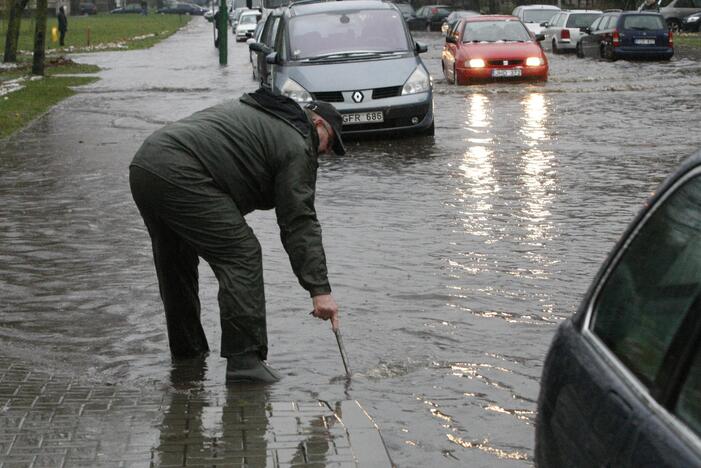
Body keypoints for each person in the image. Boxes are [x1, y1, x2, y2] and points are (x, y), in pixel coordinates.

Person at [129, 88, 345, 384]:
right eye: (329, 143)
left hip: (146, 164)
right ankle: (245, 362)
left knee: (176, 260)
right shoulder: (298, 142)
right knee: (242, 254)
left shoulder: (266, 117)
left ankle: (188, 356)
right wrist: (320, 289)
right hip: (181, 170)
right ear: (318, 124)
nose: (324, 152)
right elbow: (299, 221)